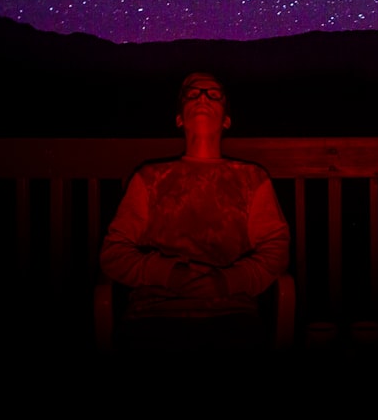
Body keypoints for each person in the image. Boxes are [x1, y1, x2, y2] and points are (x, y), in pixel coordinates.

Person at [99, 72, 291, 352]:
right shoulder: (149, 177)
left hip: (231, 315)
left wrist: (227, 281)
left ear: (227, 120)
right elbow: (113, 253)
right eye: (193, 93)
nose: (202, 97)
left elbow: (276, 250)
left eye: (214, 94)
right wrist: (166, 273)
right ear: (179, 119)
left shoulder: (252, 178)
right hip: (152, 316)